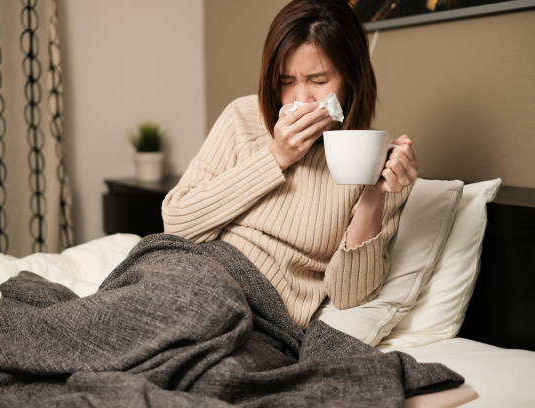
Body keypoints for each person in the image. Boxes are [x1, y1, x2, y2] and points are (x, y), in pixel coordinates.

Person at [162, 0, 418, 329]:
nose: (301, 100)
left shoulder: (377, 162)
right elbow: (177, 224)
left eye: (318, 80)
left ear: (351, 80)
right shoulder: (243, 117)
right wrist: (276, 156)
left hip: (260, 314)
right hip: (187, 271)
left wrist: (373, 195)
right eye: (286, 81)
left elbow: (349, 296)